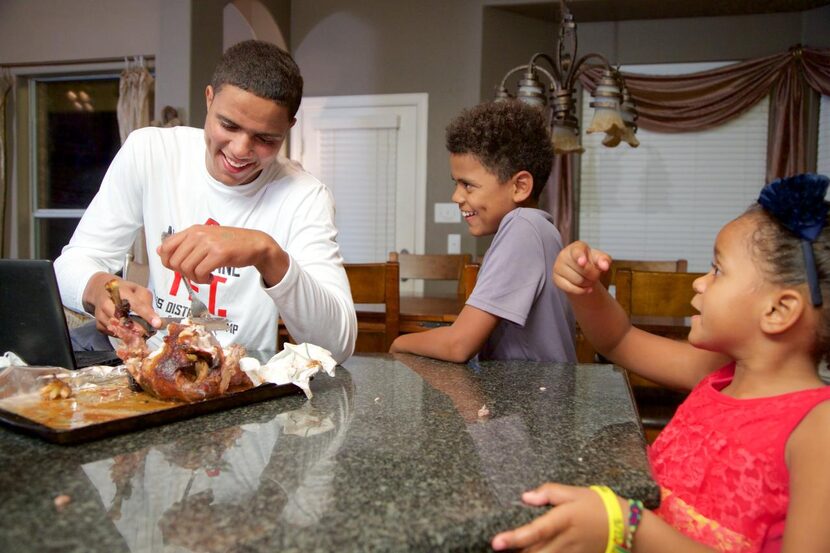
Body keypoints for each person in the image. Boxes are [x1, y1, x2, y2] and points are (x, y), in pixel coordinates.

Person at [492, 173, 830, 552]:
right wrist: (587, 290)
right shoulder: (716, 374)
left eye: (718, 270)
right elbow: (619, 339)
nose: (700, 283)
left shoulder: (819, 428)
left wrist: (629, 530)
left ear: (778, 310)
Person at [54, 40, 356, 363]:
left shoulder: (305, 196)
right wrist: (97, 286)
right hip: (145, 361)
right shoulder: (150, 152)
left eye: (265, 139)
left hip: (233, 378)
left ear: (288, 128)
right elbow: (70, 265)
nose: (240, 150)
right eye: (228, 125)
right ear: (209, 99)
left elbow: (337, 346)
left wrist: (265, 251)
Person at [389, 101, 575, 363]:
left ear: (520, 186)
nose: (456, 196)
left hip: (532, 399)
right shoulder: (540, 227)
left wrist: (399, 342)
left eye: (468, 185)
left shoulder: (522, 228)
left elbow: (459, 344)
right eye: (456, 184)